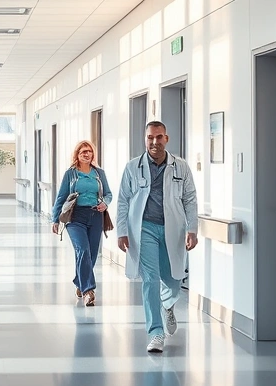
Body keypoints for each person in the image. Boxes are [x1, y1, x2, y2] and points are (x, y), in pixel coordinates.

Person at [116, 121, 198, 353]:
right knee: (150, 279)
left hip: (174, 229)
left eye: (159, 137)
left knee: (173, 279)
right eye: (150, 137)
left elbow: (190, 199)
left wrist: (192, 229)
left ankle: (168, 305)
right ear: (145, 139)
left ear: (166, 139)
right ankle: (156, 332)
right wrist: (122, 231)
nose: (154, 142)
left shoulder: (181, 167)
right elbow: (123, 200)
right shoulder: (133, 167)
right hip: (145, 229)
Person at [50, 140, 113, 306]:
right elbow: (61, 196)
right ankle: (88, 290)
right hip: (75, 216)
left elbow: (108, 193)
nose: (87, 154)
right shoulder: (70, 174)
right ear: (77, 155)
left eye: (89, 151)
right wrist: (55, 218)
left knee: (91, 254)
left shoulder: (99, 173)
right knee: (82, 249)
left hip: (95, 215)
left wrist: (105, 203)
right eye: (83, 152)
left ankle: (80, 281)